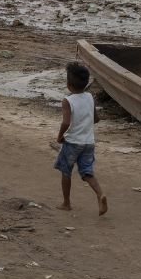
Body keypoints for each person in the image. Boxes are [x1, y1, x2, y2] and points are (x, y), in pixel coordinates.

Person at [52, 61, 107, 215]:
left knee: (66, 171)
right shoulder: (89, 97)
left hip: (72, 142)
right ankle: (100, 194)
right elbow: (96, 119)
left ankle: (66, 203)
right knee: (87, 172)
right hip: (89, 142)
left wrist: (60, 137)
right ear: (86, 83)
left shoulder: (68, 101)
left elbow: (66, 122)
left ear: (68, 84)